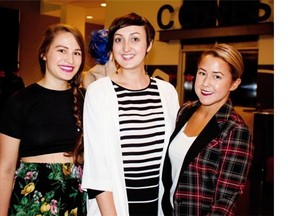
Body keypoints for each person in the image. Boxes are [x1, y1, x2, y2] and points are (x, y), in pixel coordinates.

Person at [81, 12, 180, 216]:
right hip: (115, 207)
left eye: (135, 39)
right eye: (119, 40)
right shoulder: (98, 92)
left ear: (149, 44)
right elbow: (97, 166)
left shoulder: (167, 92)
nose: (126, 48)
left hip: (159, 206)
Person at [0, 23, 87, 215]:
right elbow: (5, 169)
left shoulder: (86, 99)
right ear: (44, 53)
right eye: (62, 50)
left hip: (75, 197)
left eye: (77, 53)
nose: (70, 59)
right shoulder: (20, 101)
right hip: (32, 198)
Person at [161, 43, 254, 215]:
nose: (205, 83)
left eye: (217, 77)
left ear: (234, 83)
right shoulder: (185, 111)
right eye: (202, 73)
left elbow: (225, 202)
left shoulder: (235, 130)